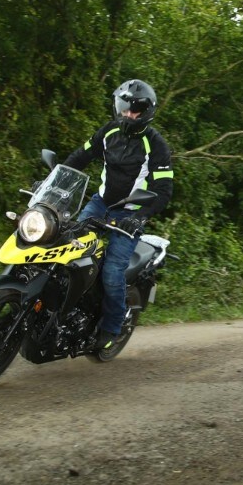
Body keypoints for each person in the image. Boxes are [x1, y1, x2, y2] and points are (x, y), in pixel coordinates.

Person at [63, 79, 174, 350]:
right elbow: (78, 158)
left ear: (146, 111)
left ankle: (111, 328)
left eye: (135, 109)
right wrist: (53, 183)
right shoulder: (109, 132)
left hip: (131, 212)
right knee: (67, 246)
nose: (128, 113)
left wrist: (140, 217)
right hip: (101, 203)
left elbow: (164, 189)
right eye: (124, 107)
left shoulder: (155, 145)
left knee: (113, 270)